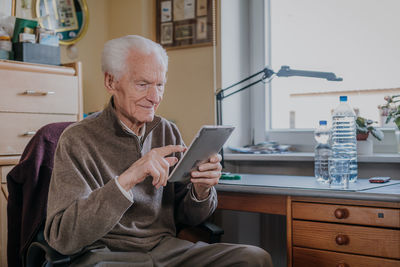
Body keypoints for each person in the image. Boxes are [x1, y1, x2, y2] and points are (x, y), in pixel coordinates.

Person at [44, 35, 273, 266]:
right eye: (142, 84)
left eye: (160, 85)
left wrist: (201, 190)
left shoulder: (167, 131)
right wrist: (127, 179)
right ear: (111, 82)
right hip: (108, 255)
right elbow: (62, 238)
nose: (155, 98)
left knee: (253, 258)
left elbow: (191, 218)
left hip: (166, 250)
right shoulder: (76, 139)